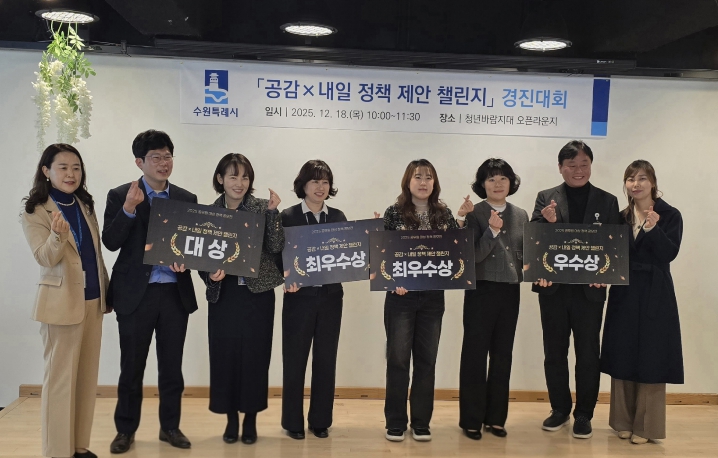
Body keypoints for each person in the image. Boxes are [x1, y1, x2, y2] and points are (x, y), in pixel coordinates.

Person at [103, 130, 199, 454]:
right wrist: (129, 208)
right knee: (131, 368)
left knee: (172, 367)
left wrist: (187, 261)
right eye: (155, 157)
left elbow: (193, 246)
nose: (163, 163)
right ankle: (125, 430)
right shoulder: (121, 195)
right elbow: (111, 242)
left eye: (167, 156)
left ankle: (170, 427)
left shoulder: (186, 198)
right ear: (139, 162)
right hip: (135, 295)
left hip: (174, 294)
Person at [21, 144, 110, 458]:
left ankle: (79, 446)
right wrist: (57, 235)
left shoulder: (84, 204)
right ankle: (57, 452)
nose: (71, 174)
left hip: (93, 301)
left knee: (86, 380)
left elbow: (95, 254)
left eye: (76, 167)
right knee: (60, 383)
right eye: (63, 167)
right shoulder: (35, 210)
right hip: (60, 304)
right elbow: (44, 257)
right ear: (46, 171)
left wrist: (106, 292)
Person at [531, 140, 621, 439]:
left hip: (589, 292)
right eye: (571, 165)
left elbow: (614, 245)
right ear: (560, 168)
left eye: (584, 164)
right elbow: (534, 240)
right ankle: (559, 409)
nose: (578, 170)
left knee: (588, 354)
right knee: (554, 352)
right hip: (553, 290)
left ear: (591, 165)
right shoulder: (546, 197)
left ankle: (584, 413)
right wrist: (548, 222)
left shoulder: (607, 201)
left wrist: (607, 273)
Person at [383, 159, 473, 442]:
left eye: (429, 177)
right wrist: (392, 281)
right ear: (407, 181)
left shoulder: (443, 214)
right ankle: (395, 422)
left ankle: (421, 422)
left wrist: (461, 220)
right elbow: (383, 254)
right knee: (398, 360)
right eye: (418, 177)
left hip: (433, 298)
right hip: (400, 297)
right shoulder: (393, 212)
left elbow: (456, 252)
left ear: (435, 183)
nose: (423, 182)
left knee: (427, 360)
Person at [198, 153, 284, 445]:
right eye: (233, 176)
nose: (239, 183)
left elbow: (276, 247)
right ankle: (231, 418)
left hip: (257, 294)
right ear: (220, 179)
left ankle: (250, 418)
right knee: (225, 356)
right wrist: (211, 276)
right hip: (224, 296)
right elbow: (200, 257)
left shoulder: (261, 207)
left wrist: (273, 213)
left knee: (255, 357)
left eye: (245, 177)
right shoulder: (210, 213)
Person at [600, 160, 683, 444]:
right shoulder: (621, 217)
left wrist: (653, 228)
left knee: (652, 355)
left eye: (642, 178)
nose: (636, 184)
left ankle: (646, 427)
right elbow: (609, 253)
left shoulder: (670, 214)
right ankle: (621, 421)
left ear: (653, 183)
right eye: (630, 179)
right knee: (622, 352)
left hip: (655, 291)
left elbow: (669, 254)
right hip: (624, 291)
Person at [459, 158, 527, 440]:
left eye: (503, 178)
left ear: (511, 183)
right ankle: (471, 419)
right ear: (482, 184)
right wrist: (492, 231)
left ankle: (496, 418)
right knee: (475, 355)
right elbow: (471, 257)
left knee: (503, 355)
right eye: (491, 179)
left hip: (510, 291)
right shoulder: (474, 213)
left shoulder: (521, 214)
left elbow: (526, 254)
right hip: (481, 290)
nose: (498, 184)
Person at [280, 160, 347, 440]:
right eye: (315, 181)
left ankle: (320, 420)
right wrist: (285, 277)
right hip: (299, 298)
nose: (320, 187)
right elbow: (276, 254)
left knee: (325, 359)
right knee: (294, 360)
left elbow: (347, 254)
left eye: (325, 182)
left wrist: (369, 236)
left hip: (331, 298)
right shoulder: (288, 216)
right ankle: (292, 422)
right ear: (303, 185)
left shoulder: (338, 217)